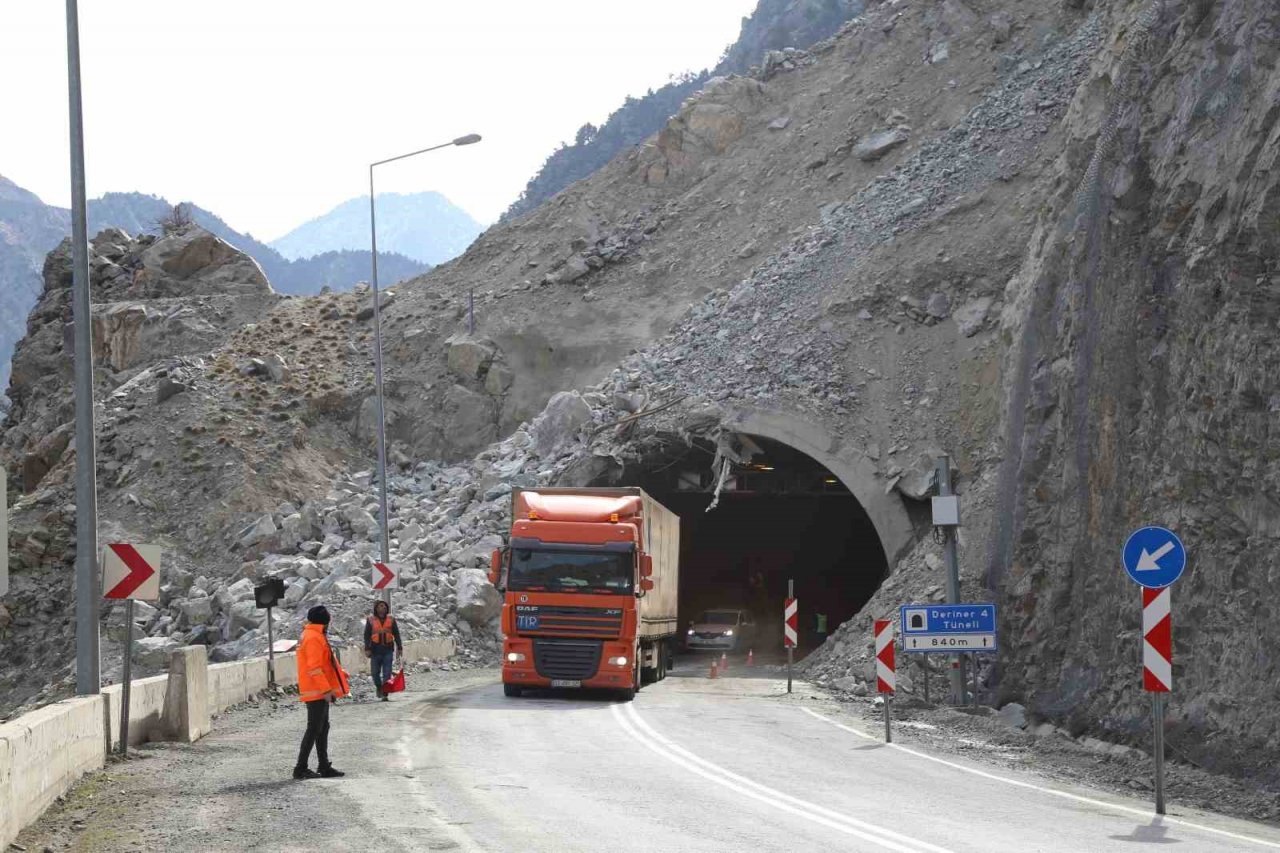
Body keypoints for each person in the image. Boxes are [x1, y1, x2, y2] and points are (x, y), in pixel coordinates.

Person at [294, 605, 349, 780]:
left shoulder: (314, 635)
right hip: (316, 691)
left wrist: (339, 675)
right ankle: (300, 768)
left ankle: (323, 765)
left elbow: (324, 664)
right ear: (326, 621)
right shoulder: (314, 637)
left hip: (318, 689)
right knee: (314, 729)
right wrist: (326, 690)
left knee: (322, 728)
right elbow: (314, 667)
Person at [364, 599, 403, 701]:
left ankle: (385, 693)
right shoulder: (370, 620)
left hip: (388, 650)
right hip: (375, 650)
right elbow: (367, 635)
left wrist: (399, 647)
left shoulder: (391, 619)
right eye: (381, 606)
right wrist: (367, 648)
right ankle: (379, 687)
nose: (383, 608)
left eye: (385, 606)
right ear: (376, 608)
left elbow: (396, 634)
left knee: (387, 673)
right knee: (374, 673)